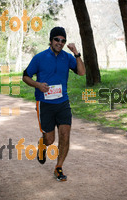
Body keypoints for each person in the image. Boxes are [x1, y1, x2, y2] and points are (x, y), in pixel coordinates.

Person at [23, 27, 85, 181]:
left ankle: (58, 167)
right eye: (57, 39)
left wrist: (76, 53)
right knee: (50, 139)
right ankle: (42, 145)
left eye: (63, 40)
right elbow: (25, 76)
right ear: (51, 40)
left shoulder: (67, 57)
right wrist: (38, 85)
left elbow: (82, 72)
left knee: (65, 135)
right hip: (45, 104)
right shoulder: (39, 57)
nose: (60, 42)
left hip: (63, 103)